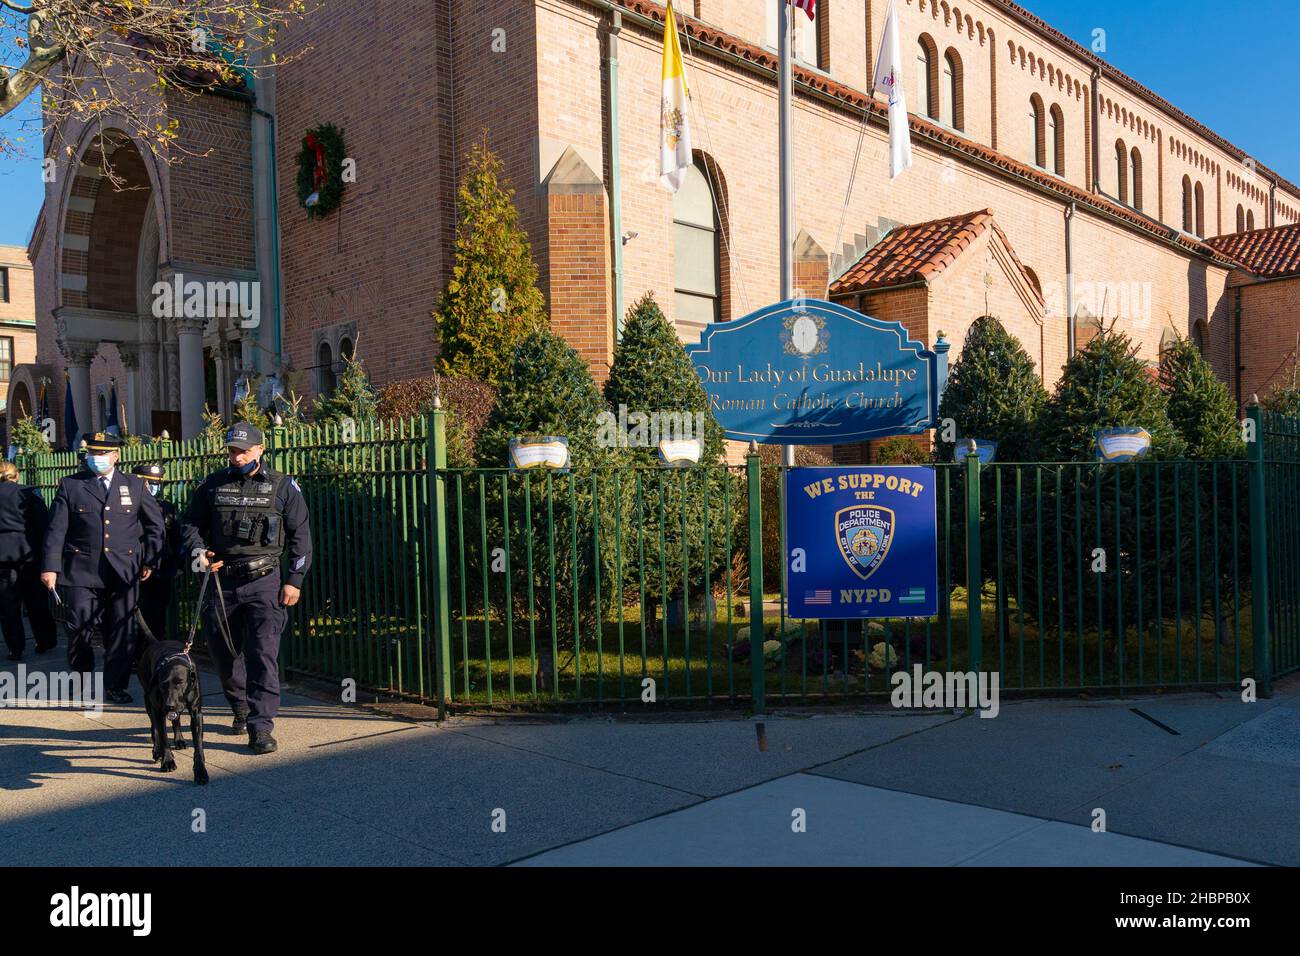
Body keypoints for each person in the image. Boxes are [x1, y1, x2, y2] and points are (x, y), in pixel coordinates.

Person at [181, 422, 311, 754]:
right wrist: (199, 554)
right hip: (222, 581)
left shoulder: (282, 487)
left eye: (243, 451)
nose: (236, 457)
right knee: (225, 655)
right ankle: (239, 704)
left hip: (265, 582)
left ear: (260, 450)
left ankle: (261, 726)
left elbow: (301, 537)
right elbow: (190, 525)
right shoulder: (212, 485)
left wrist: (294, 581)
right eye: (232, 451)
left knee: (263, 655)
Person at [40, 432, 165, 703]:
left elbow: (155, 526)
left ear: (116, 456)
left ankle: (114, 685)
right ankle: (82, 676)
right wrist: (50, 567)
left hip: (124, 570)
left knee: (122, 628)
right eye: (92, 454)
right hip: (81, 570)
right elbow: (55, 530)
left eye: (102, 454)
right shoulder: (71, 485)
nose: (96, 459)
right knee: (79, 627)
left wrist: (150, 560)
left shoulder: (134, 484)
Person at [0, 461, 56, 660]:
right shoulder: (29, 493)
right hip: (29, 554)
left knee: (8, 605)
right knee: (36, 601)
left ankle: (15, 647)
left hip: (3, 557)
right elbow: (43, 524)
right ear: (16, 475)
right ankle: (45, 640)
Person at [132, 462, 181, 644]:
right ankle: (138, 655)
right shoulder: (127, 507)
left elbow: (176, 539)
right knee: (136, 615)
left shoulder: (166, 508)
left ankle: (156, 652)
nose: (151, 487)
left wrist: (175, 567)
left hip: (161, 570)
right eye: (146, 482)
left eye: (155, 483)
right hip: (134, 570)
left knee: (158, 615)